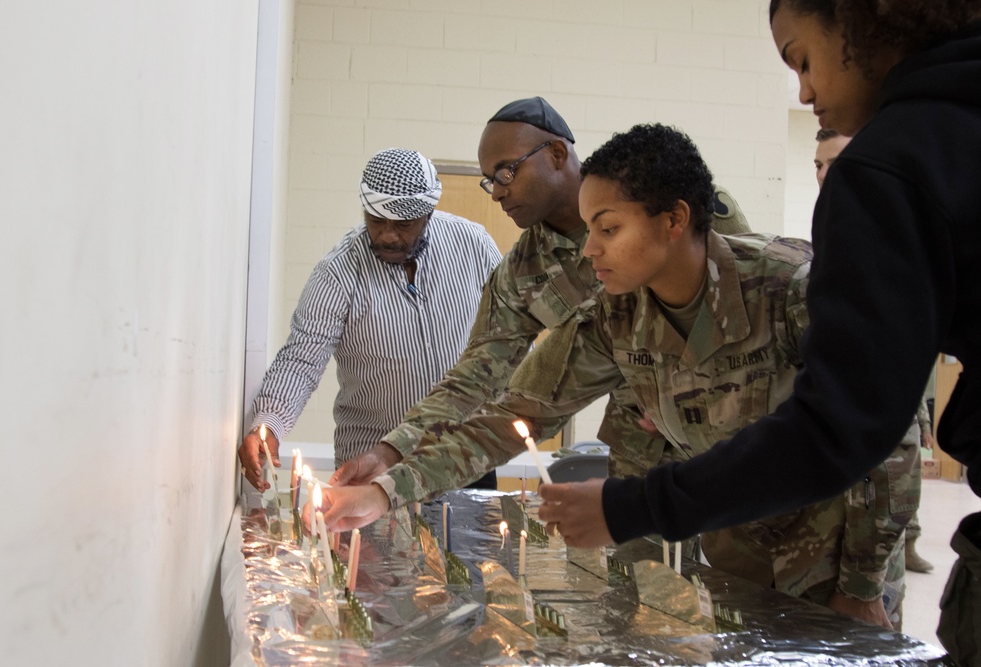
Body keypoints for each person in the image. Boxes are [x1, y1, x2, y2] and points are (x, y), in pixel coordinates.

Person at [324, 123, 915, 629]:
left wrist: (862, 586)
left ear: (674, 220)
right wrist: (384, 490)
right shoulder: (616, 317)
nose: (589, 252)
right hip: (739, 545)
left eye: (607, 231)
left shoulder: (790, 288)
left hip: (843, 552)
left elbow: (889, 434)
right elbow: (504, 421)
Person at [536, 1, 981, 661]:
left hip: (828, 565)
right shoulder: (615, 315)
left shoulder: (869, 190)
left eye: (802, 58)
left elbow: (854, 428)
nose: (803, 90)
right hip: (740, 556)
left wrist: (630, 508)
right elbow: (538, 405)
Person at [331, 98, 751, 496]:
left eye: (506, 173)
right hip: (639, 453)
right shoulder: (522, 272)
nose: (496, 192)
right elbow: (474, 379)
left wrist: (683, 390)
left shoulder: (664, 204)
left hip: (734, 426)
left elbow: (742, 302)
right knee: (643, 565)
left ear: (555, 154)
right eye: (489, 181)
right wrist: (393, 451)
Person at [238, 148, 502, 490]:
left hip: (464, 457)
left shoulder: (473, 245)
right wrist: (268, 425)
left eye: (403, 225)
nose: (388, 235)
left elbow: (510, 333)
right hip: (371, 466)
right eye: (376, 221)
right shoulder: (338, 272)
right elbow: (301, 359)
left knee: (469, 545)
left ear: (428, 214)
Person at [815, 127, 935, 575]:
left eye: (837, 163)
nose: (826, 175)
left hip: (885, 418)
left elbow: (911, 343)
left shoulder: (895, 234)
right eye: (818, 165)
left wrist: (918, 413)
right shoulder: (831, 229)